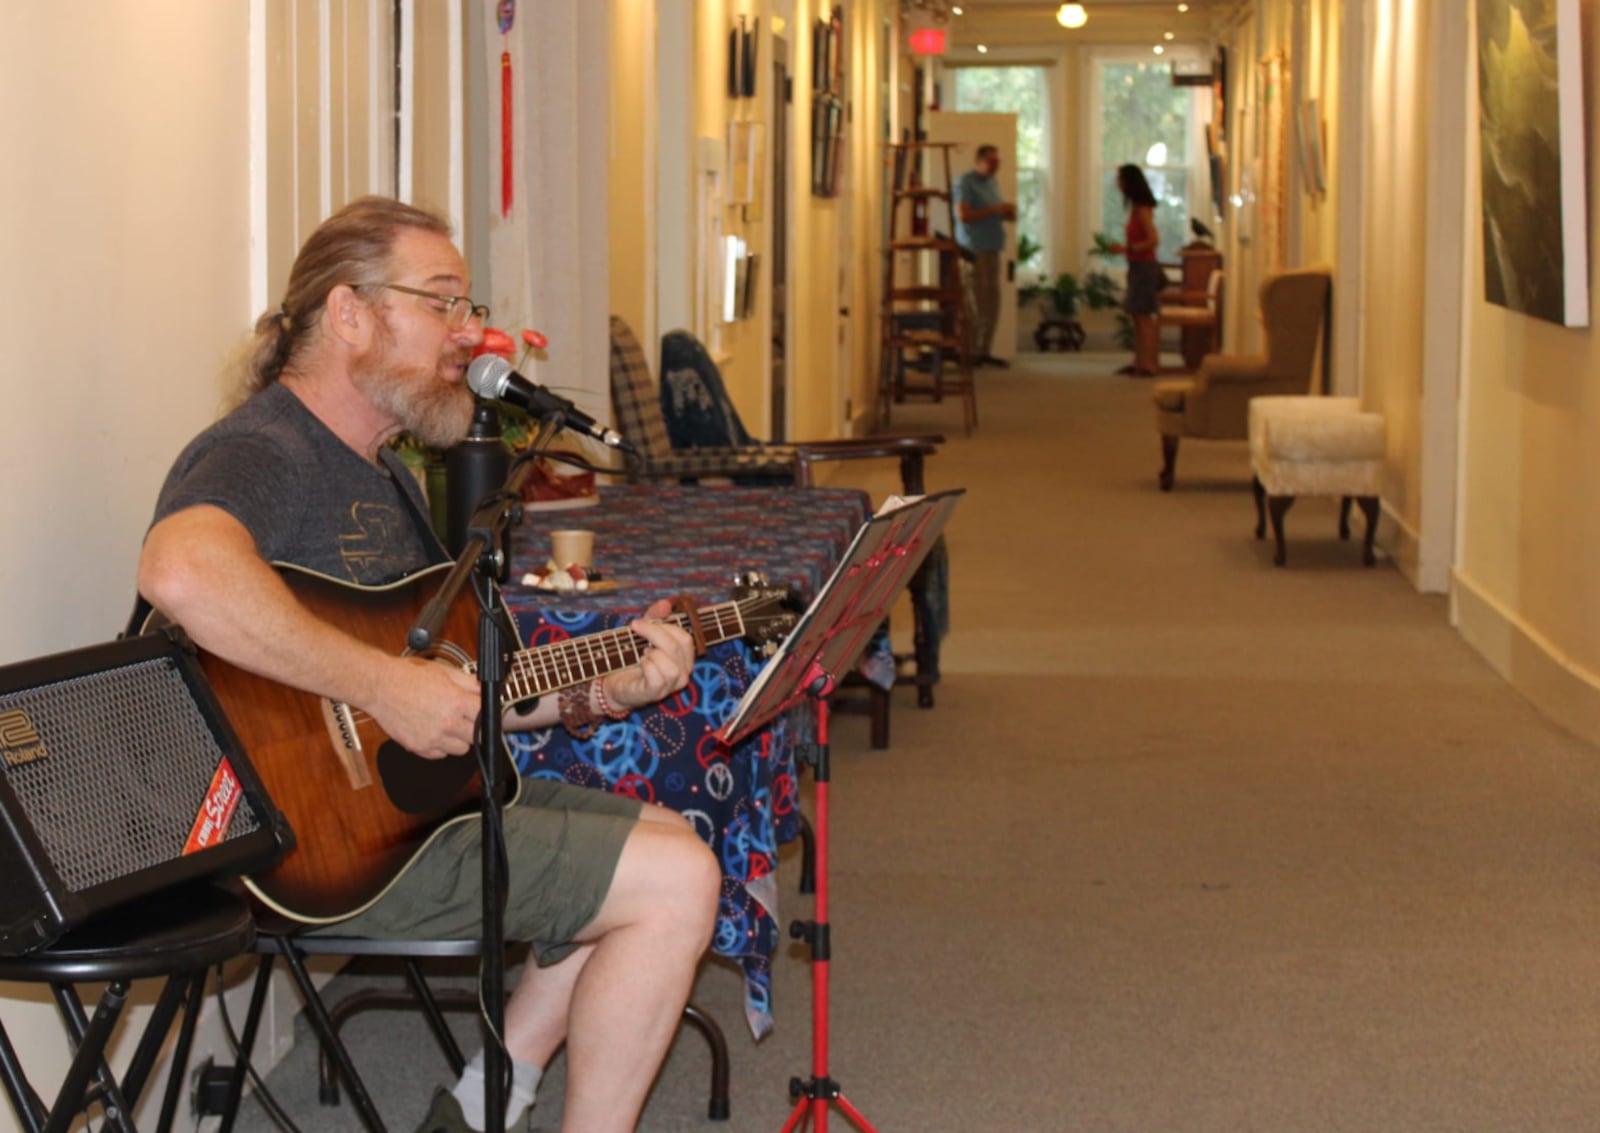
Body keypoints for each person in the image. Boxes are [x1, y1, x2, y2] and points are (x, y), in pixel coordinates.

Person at [137, 196, 721, 1133]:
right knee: (675, 883)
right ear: (349, 314)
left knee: (666, 836)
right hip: (306, 839)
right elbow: (180, 570)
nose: (471, 332)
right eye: (443, 303)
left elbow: (462, 700)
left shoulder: (386, 473)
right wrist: (379, 684)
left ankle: (491, 1098)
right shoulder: (266, 448)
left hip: (401, 807)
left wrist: (605, 688)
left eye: (468, 305)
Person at [952, 144, 1016, 368]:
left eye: (998, 162)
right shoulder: (965, 183)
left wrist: (1006, 213)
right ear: (979, 162)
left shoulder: (993, 183)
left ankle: (985, 350)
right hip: (973, 249)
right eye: (991, 161)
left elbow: (997, 212)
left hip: (993, 247)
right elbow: (963, 215)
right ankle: (970, 351)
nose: (995, 166)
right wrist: (995, 210)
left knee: (991, 301)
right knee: (974, 301)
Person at [1106, 163, 1163, 377]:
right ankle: (1138, 361)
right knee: (1136, 315)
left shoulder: (1142, 209)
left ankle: (1149, 364)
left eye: (1120, 179)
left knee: (1144, 316)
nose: (1118, 183)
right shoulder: (1135, 208)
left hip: (1145, 267)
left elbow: (1153, 240)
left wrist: (1126, 248)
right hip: (1136, 265)